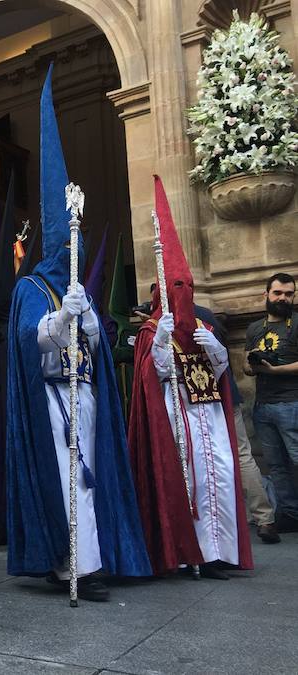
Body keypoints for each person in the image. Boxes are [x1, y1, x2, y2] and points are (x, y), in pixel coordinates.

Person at [5, 65, 151, 602]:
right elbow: (27, 341)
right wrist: (59, 319)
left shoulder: (79, 289)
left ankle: (86, 557)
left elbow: (94, 339)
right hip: (50, 395)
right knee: (67, 476)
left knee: (89, 473)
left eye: (78, 249)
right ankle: (79, 566)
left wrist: (85, 317)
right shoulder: (29, 289)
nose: (74, 255)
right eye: (66, 250)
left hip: (85, 390)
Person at [129, 175, 253, 580]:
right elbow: (153, 376)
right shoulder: (151, 329)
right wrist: (161, 343)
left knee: (218, 473)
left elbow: (218, 374)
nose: (184, 291)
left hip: (210, 416)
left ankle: (219, 550)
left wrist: (217, 352)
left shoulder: (205, 325)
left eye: (188, 286)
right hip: (176, 413)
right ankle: (187, 551)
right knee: (190, 479)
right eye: (176, 285)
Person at [194, 305, 278, 544]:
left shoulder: (168, 319)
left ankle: (224, 519)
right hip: (225, 393)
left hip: (200, 400)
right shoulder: (207, 315)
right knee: (242, 455)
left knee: (207, 457)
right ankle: (265, 519)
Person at [245, 272, 298, 533]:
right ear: (266, 294)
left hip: (292, 402)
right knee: (276, 464)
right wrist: (253, 366)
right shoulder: (255, 328)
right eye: (278, 293)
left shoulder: (297, 323)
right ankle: (290, 514)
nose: (283, 298)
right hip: (263, 404)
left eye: (289, 294)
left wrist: (277, 370)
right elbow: (246, 364)